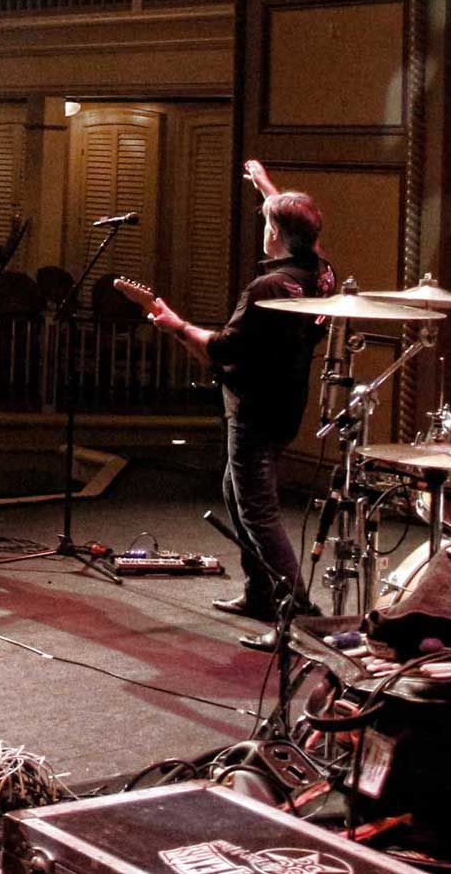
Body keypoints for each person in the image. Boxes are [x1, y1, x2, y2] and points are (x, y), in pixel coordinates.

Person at [123, 159, 336, 650]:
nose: (263, 228)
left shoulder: (265, 289)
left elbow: (219, 348)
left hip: (254, 408)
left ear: (277, 234)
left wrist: (172, 322)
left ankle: (297, 614)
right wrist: (267, 188)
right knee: (235, 490)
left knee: (257, 510)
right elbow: (300, 230)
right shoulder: (321, 272)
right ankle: (260, 592)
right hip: (287, 404)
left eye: (268, 222)